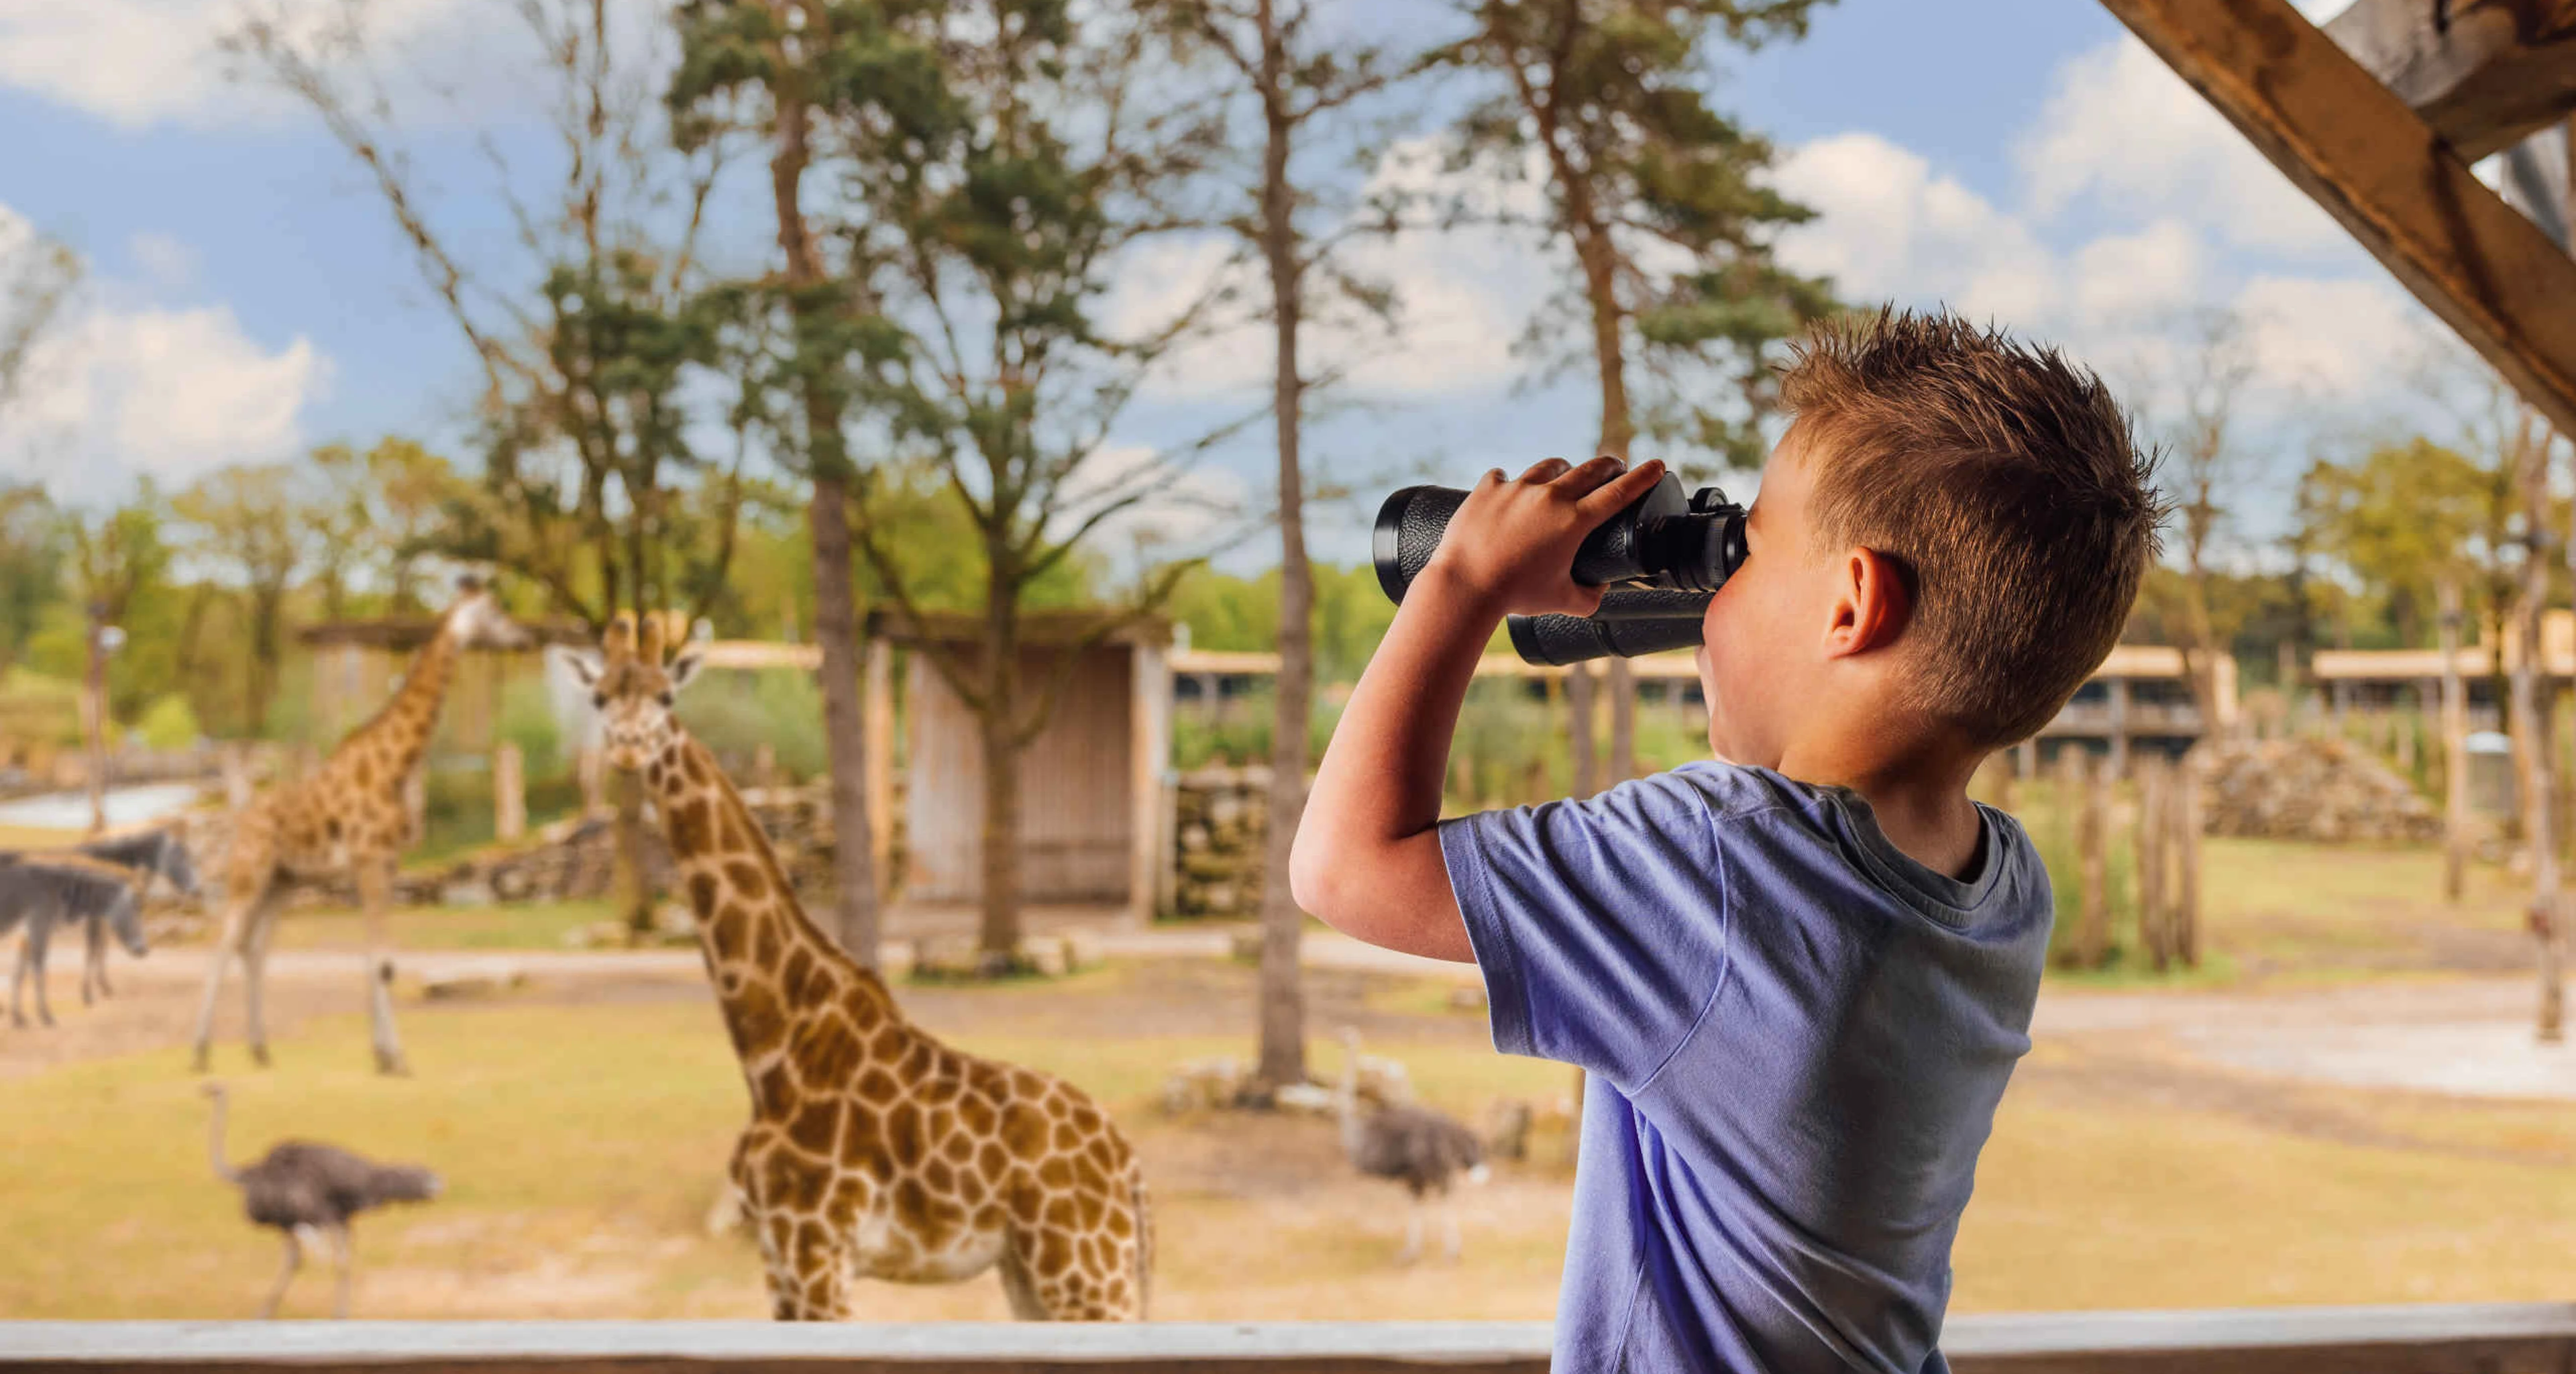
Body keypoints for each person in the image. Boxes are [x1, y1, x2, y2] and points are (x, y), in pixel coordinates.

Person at [1290, 308, 2165, 1373]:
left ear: (1852, 608)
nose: (1714, 588)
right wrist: (1732, 607)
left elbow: (1345, 866)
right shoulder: (2004, 887)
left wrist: (1463, 584)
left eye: (1742, 553)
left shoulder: (1721, 867)